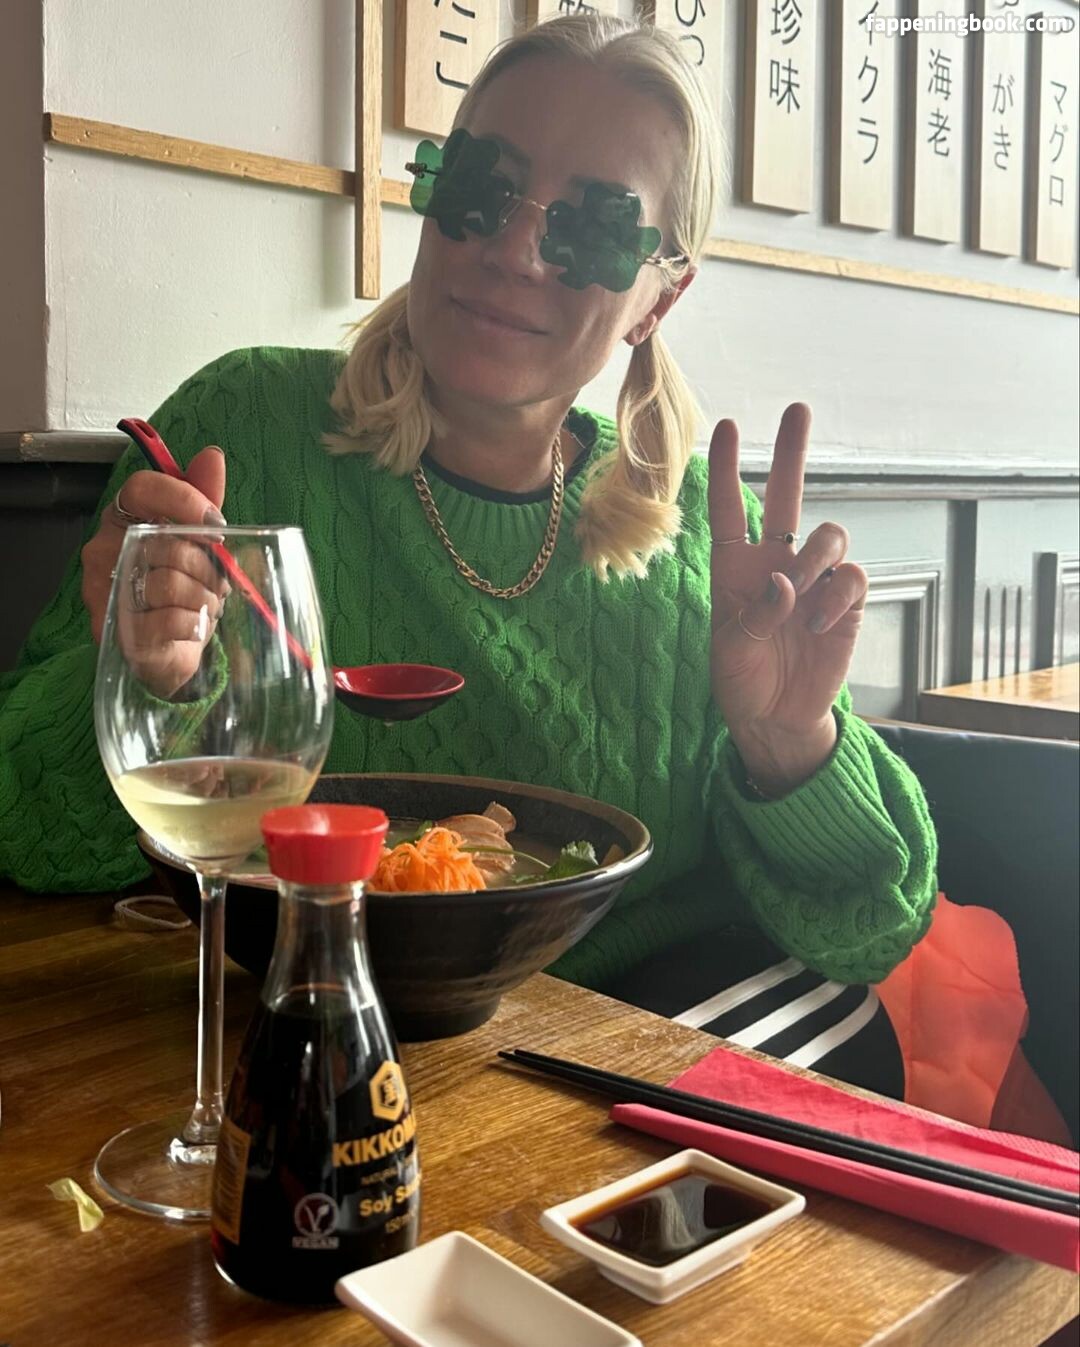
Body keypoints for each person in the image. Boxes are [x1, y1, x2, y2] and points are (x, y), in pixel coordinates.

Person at [0, 15, 935, 1093]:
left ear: (660, 296)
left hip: (678, 1066)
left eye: (592, 228)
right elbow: (31, 834)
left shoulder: (698, 544)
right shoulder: (241, 435)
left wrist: (789, 746)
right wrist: (141, 680)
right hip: (350, 1060)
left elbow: (870, 927)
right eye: (483, 188)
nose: (515, 252)